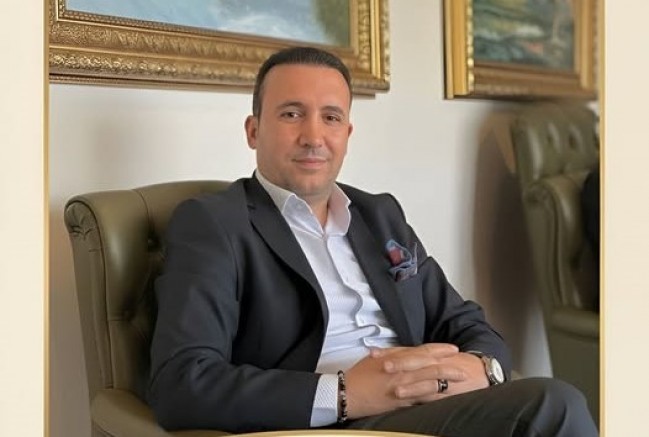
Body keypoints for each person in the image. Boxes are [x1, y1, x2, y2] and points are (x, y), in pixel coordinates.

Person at [146, 46, 597, 436]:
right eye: (291, 114)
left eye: (331, 118)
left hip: (424, 404)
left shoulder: (378, 215)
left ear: (346, 134)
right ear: (253, 130)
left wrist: (484, 368)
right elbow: (181, 383)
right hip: (327, 424)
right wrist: (344, 394)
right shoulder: (214, 223)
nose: (313, 137)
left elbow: (464, 321)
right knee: (553, 405)